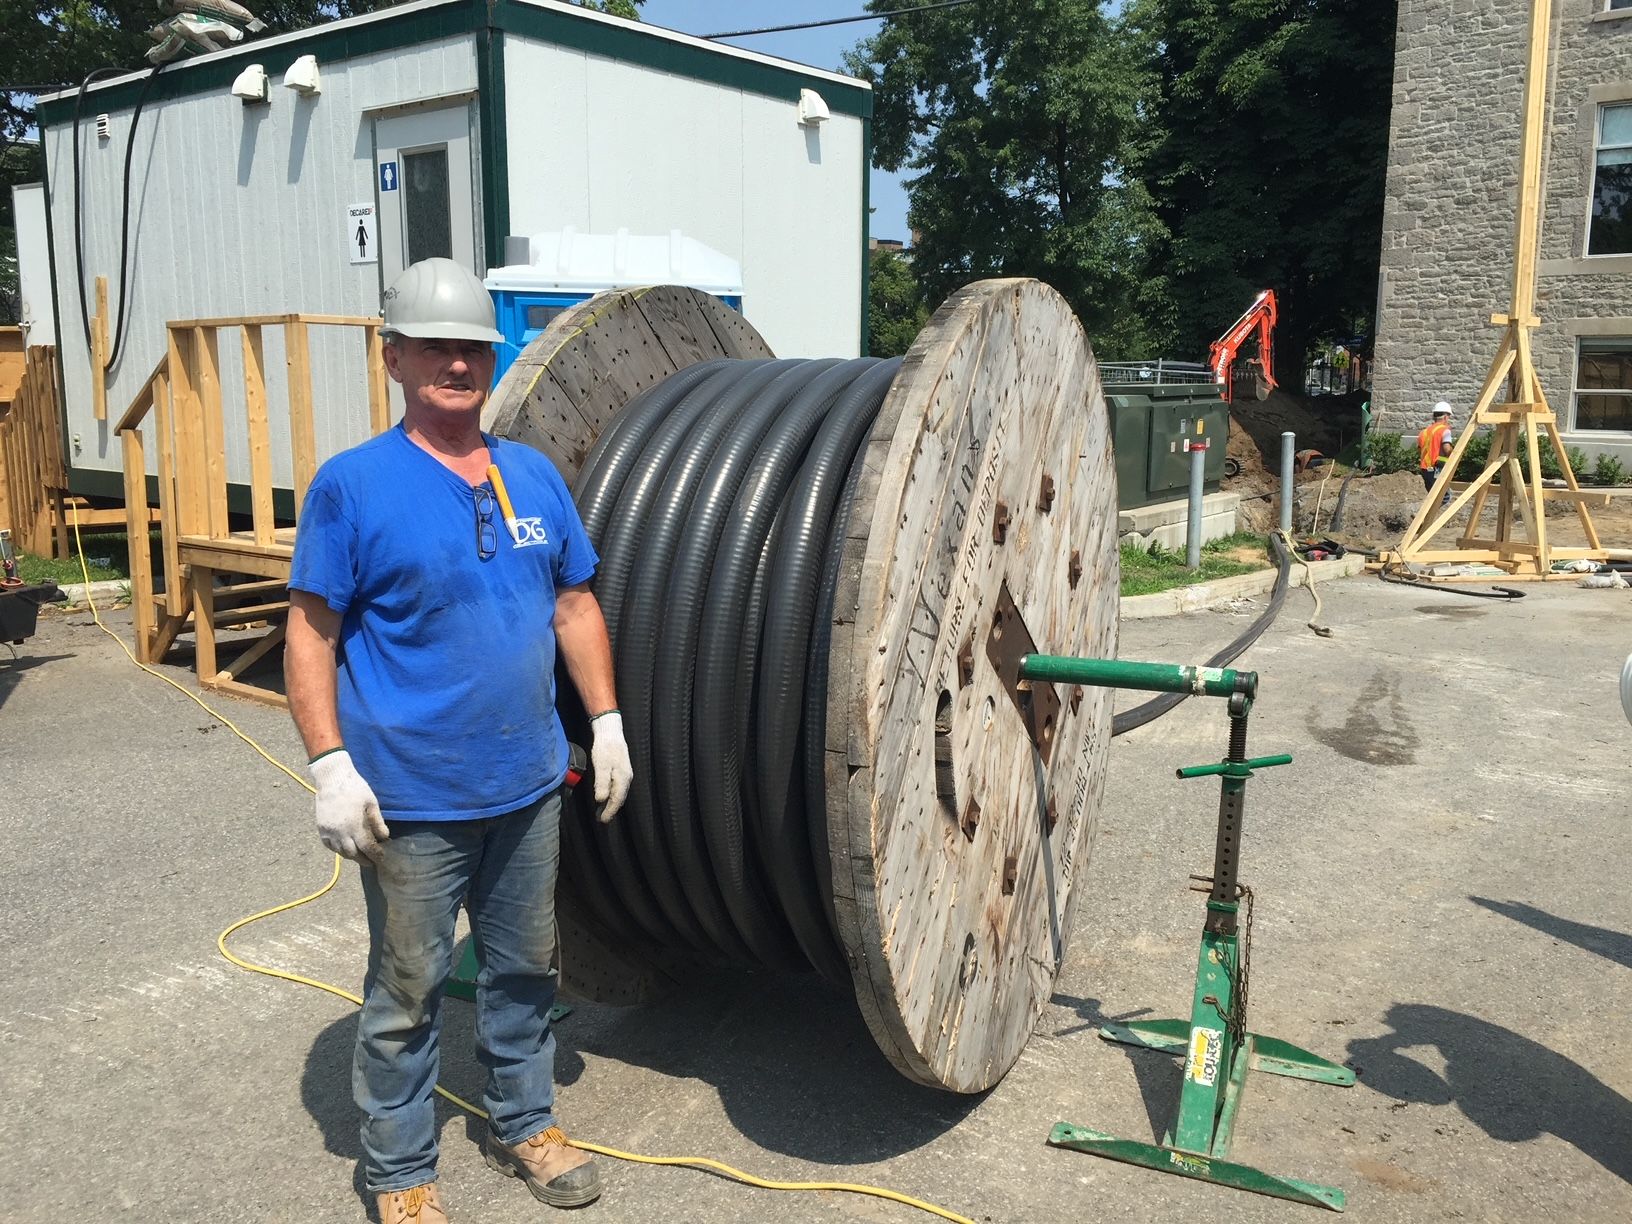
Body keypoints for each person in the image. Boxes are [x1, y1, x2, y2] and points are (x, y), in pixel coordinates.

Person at [284, 257, 632, 1224]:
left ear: (492, 359)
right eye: (434, 346)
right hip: (412, 796)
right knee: (407, 990)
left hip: (526, 785)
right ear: (393, 356)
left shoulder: (531, 475)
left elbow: (571, 601)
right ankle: (399, 1172)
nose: (455, 364)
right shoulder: (354, 487)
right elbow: (310, 631)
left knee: (525, 969)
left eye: (472, 348)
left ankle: (525, 1121)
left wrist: (602, 721)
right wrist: (328, 762)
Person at [1418, 402, 1455, 506]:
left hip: (1425, 469)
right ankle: (1429, 519)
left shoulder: (1424, 432)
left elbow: (1420, 450)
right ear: (1446, 417)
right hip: (1437, 468)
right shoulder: (1444, 431)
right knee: (1444, 497)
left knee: (1433, 496)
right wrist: (1456, 453)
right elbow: (1447, 449)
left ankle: (1426, 518)